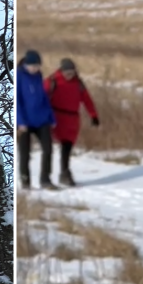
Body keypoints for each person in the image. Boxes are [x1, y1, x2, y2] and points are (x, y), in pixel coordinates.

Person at [43, 58, 100, 187]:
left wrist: (93, 115)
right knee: (48, 147)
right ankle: (45, 177)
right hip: (55, 117)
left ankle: (65, 172)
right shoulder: (52, 81)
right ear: (61, 71)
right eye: (67, 73)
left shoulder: (78, 83)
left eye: (72, 72)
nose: (70, 75)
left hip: (73, 119)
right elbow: (41, 98)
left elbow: (87, 99)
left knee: (67, 146)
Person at [16, 49, 55, 190]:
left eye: (38, 66)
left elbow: (44, 98)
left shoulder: (38, 75)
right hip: (24, 122)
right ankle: (25, 181)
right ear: (27, 64)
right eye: (33, 66)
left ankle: (46, 180)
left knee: (48, 149)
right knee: (25, 152)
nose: (35, 68)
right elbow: (17, 101)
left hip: (41, 120)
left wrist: (51, 117)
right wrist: (20, 121)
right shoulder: (19, 76)